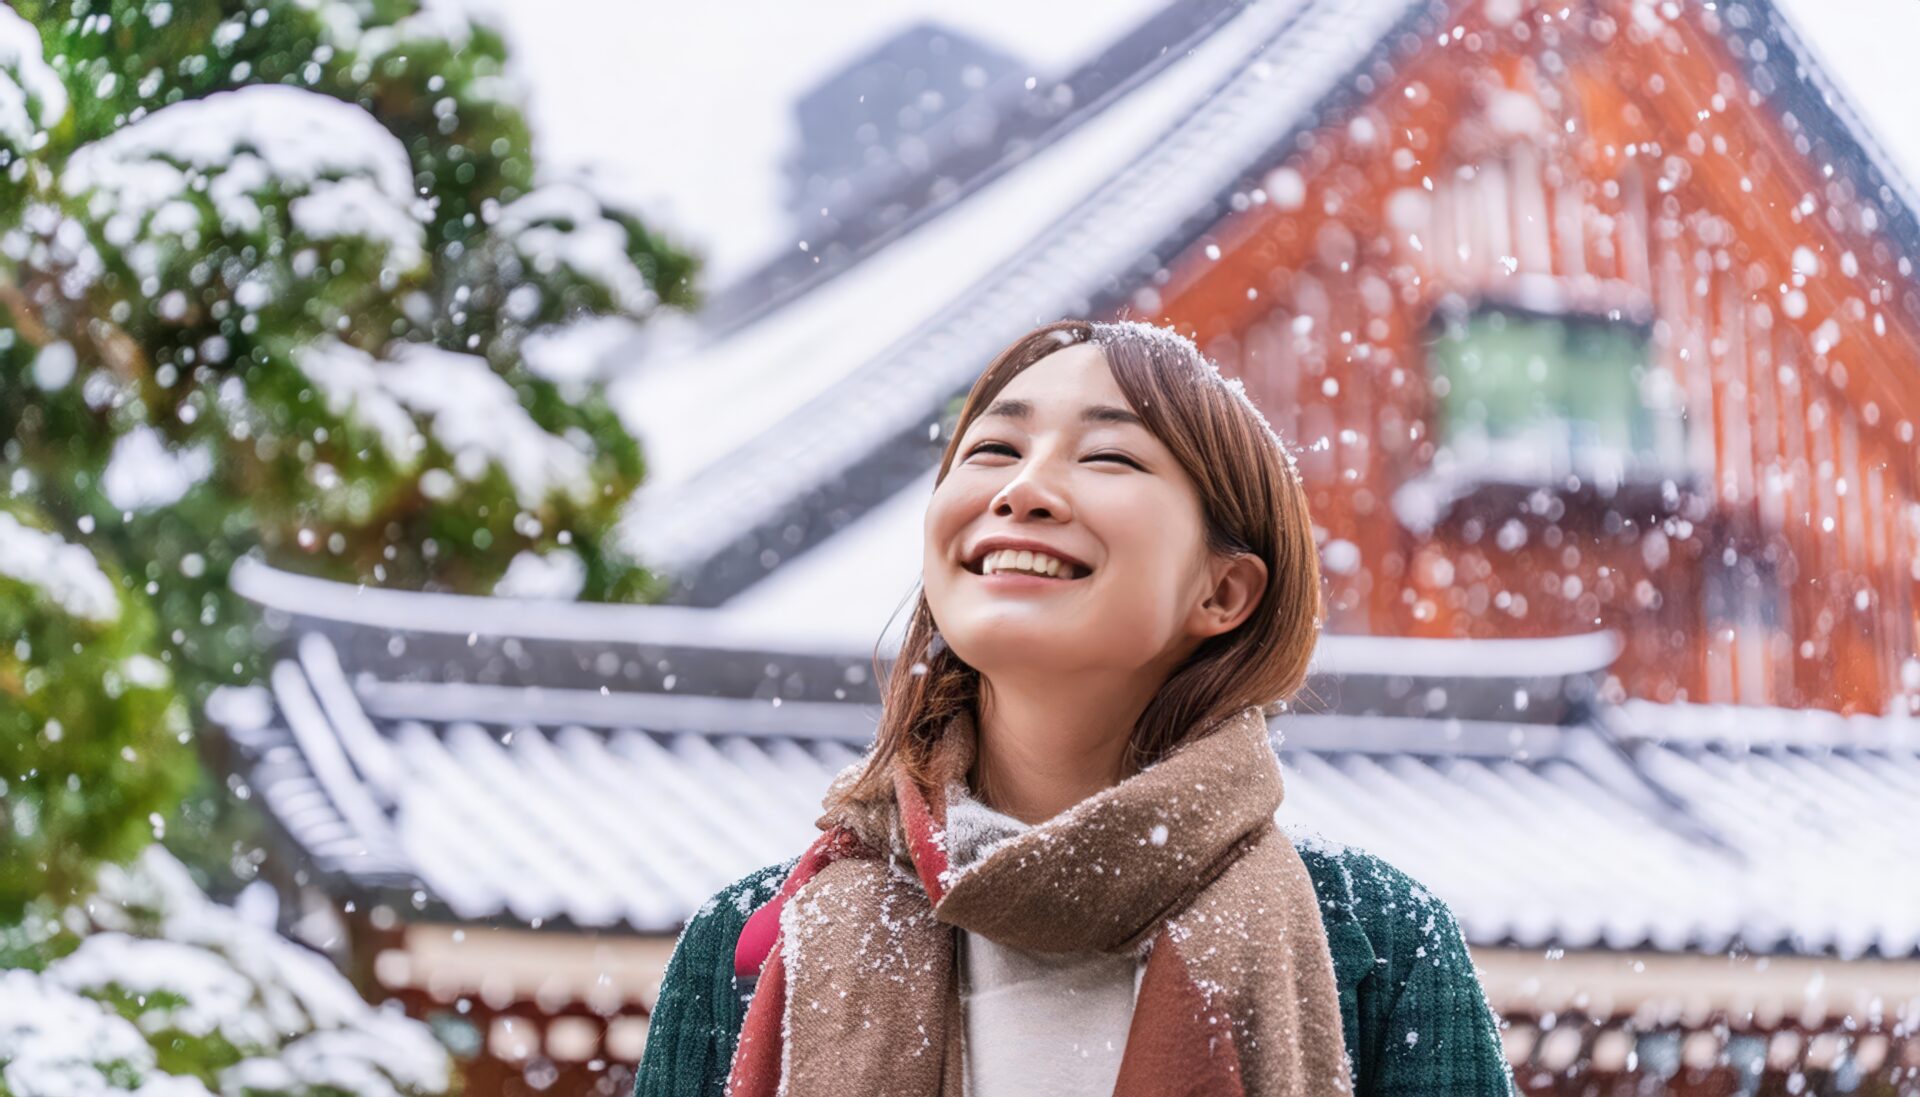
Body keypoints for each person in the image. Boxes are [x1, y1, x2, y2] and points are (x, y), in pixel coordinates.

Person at [632, 319, 1517, 1097]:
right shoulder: (747, 951)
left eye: (1107, 457)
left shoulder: (1378, 947)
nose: (1023, 490)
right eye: (993, 452)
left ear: (1224, 590)